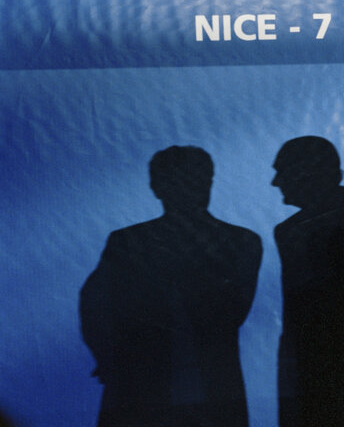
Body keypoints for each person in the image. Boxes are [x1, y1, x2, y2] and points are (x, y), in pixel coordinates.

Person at [80, 146, 262, 427]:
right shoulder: (240, 242)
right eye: (184, 179)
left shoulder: (129, 243)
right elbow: (94, 306)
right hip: (162, 388)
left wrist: (110, 359)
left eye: (199, 178)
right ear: (158, 187)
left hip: (154, 389)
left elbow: (94, 305)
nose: (194, 187)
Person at [271, 136, 344, 426]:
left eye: (281, 171)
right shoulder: (289, 231)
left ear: (307, 173)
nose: (275, 182)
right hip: (317, 375)